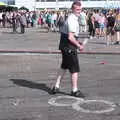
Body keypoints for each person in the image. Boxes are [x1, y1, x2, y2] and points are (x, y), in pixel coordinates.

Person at [51, 1, 85, 98]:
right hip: (69, 47)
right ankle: (74, 90)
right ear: (72, 9)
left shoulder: (71, 17)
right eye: (77, 9)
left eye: (80, 9)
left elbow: (70, 35)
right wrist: (79, 46)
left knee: (64, 66)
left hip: (64, 46)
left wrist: (78, 42)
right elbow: (70, 37)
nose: (79, 11)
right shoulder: (72, 19)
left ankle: (56, 87)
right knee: (74, 69)